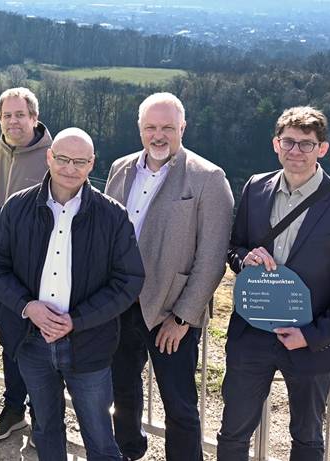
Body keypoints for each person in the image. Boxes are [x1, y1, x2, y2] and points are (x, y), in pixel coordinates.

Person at [217, 106, 330, 460]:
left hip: (310, 338)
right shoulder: (256, 187)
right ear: (276, 144)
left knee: (306, 437)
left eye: (306, 144)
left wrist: (313, 334)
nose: (296, 151)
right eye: (288, 142)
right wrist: (245, 259)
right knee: (232, 433)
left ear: (323, 149)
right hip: (252, 332)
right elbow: (234, 247)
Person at [0, 128, 145, 460]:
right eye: (63, 159)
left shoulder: (112, 215)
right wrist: (27, 307)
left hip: (89, 344)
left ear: (92, 163)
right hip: (32, 342)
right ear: (49, 157)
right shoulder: (18, 207)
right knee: (44, 428)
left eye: (80, 162)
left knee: (99, 435)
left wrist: (77, 320)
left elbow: (129, 280)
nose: (70, 169)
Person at [104, 93, 234, 461]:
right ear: (140, 129)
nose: (158, 135)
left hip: (170, 313)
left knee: (178, 405)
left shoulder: (208, 178)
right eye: (150, 127)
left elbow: (211, 259)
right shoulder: (121, 168)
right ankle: (129, 450)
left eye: (167, 128)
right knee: (122, 390)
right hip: (120, 305)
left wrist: (182, 318)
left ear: (182, 128)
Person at [0, 87, 53, 440]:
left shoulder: (53, 158)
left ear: (34, 118)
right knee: (11, 342)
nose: (13, 121)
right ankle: (14, 408)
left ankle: (44, 416)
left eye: (20, 115)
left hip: (43, 273)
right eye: (6, 115)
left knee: (42, 346)